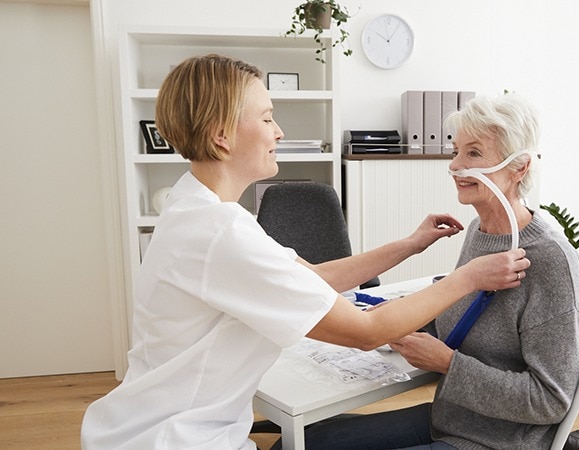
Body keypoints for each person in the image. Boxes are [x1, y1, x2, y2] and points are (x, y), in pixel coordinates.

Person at [80, 55, 529, 450]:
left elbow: (309, 276)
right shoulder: (221, 233)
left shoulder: (197, 206)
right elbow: (367, 331)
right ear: (222, 136)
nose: (278, 131)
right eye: (267, 117)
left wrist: (410, 246)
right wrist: (469, 277)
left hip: (149, 423)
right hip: (174, 438)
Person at [296, 93, 579, 450]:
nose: (455, 166)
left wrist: (449, 364)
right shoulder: (481, 233)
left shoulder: (551, 260)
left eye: (474, 153)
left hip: (498, 442)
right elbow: (459, 320)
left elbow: (549, 401)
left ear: (519, 167)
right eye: (455, 152)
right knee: (304, 443)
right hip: (449, 418)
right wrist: (397, 323)